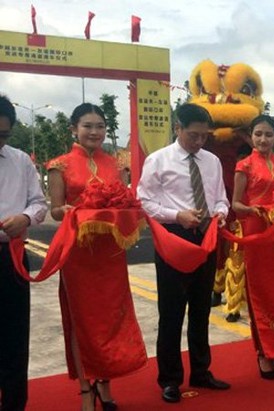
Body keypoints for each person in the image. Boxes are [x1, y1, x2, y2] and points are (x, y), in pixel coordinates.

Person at [47, 103, 146, 411]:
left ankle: (105, 381)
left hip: (110, 253)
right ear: (73, 129)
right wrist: (69, 212)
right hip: (78, 252)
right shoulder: (59, 166)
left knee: (110, 319)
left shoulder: (116, 165)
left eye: (100, 126)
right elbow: (54, 210)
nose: (94, 132)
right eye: (87, 126)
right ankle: (85, 387)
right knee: (82, 319)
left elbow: (123, 204)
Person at [137, 103, 230, 403]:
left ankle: (201, 371)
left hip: (206, 236)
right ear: (178, 129)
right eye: (193, 135)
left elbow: (221, 197)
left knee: (202, 309)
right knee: (172, 312)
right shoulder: (158, 160)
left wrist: (220, 212)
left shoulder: (212, 161)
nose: (199, 142)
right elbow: (144, 201)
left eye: (205, 136)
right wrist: (177, 215)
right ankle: (170, 379)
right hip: (173, 238)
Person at [230, 115, 274, 378]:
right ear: (251, 135)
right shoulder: (244, 165)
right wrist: (253, 210)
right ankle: (263, 352)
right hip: (257, 233)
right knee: (260, 292)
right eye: (258, 134)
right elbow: (235, 204)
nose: (263, 139)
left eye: (269, 134)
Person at [0, 95, 47, 411]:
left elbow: (39, 203)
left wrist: (26, 218)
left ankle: (15, 404)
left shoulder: (20, 161)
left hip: (11, 257)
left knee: (14, 336)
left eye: (3, 135)